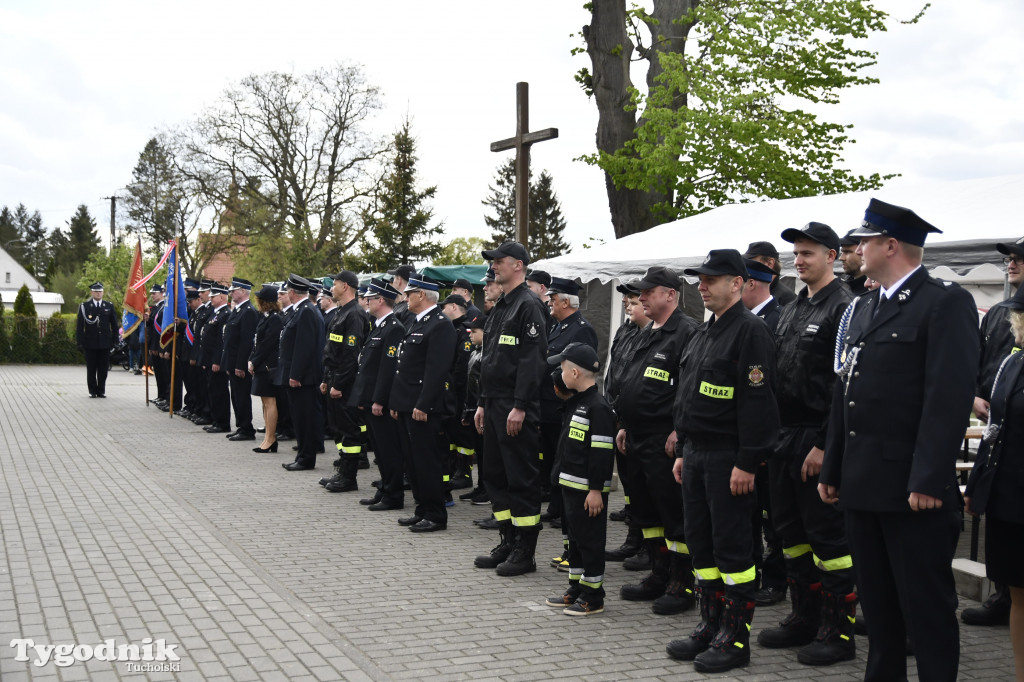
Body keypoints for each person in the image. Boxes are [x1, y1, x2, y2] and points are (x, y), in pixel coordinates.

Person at [820, 199, 980, 682]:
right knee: (880, 610)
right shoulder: (866, 305)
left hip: (914, 489)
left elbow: (947, 398)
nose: (856, 248)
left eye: (864, 240)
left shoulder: (944, 302)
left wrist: (930, 478)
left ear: (891, 245)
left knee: (926, 609)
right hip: (863, 483)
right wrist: (833, 467)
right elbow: (845, 392)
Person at [665, 249, 780, 674]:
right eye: (700, 279)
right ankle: (710, 625)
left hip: (729, 457)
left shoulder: (750, 332)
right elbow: (689, 395)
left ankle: (735, 638)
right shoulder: (702, 332)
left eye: (711, 279)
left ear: (738, 283)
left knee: (734, 549)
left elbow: (759, 403)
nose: (702, 285)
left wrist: (748, 461)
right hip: (696, 455)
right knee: (702, 546)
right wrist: (683, 450)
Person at [757, 223, 856, 666]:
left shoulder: (844, 308)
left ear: (832, 256)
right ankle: (804, 617)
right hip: (783, 438)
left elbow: (845, 388)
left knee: (828, 541)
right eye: (795, 254)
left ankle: (838, 631)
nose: (798, 260)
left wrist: (823, 445)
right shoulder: (794, 305)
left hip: (816, 437)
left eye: (808, 253)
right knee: (789, 535)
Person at [614, 266, 699, 616]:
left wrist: (680, 430)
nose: (642, 298)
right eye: (640, 292)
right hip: (636, 436)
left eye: (648, 291)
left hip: (663, 439)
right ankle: (658, 573)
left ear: (670, 295)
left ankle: (681, 584)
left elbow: (690, 388)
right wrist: (624, 424)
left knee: (672, 513)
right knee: (647, 513)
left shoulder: (687, 332)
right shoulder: (647, 332)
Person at [473, 241, 549, 575]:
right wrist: (481, 403)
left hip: (516, 407)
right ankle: (507, 539)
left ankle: (525, 550)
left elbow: (532, 362)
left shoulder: (528, 305)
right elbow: (490, 359)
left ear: (518, 265)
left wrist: (520, 406)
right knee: (494, 475)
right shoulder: (502, 304)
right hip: (493, 404)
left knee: (520, 478)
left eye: (499, 261)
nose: (493, 267)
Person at [965, 284, 1024, 682]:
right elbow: (996, 429)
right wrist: (978, 488)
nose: (1013, 324)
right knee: (1018, 593)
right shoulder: (1013, 362)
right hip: (1009, 499)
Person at [543, 343, 616, 616]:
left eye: (561, 369)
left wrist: (596, 490)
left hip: (587, 491)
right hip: (570, 488)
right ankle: (576, 588)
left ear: (574, 372)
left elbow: (601, 454)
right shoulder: (576, 403)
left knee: (590, 542)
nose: (558, 375)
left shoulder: (598, 407)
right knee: (573, 541)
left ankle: (593, 596)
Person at [390, 276, 457, 533]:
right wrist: (397, 402)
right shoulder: (418, 322)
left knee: (426, 461)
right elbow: (404, 368)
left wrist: (424, 404)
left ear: (422, 295)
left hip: (423, 407)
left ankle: (436, 514)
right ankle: (422, 509)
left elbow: (436, 371)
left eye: (410, 293)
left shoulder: (440, 325)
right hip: (408, 404)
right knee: (413, 461)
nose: (406, 298)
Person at [540, 277, 599, 565]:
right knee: (556, 468)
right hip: (554, 409)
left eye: (553, 298)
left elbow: (580, 371)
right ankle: (557, 510)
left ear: (566, 301)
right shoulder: (558, 327)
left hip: (569, 408)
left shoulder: (582, 330)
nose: (549, 302)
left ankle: (574, 546)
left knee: (569, 471)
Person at [740, 258, 787, 608]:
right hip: (747, 439)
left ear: (751, 284)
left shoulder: (774, 318)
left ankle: (775, 579)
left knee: (773, 517)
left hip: (773, 438)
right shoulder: (744, 322)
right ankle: (757, 572)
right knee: (753, 514)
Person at [349, 278, 407, 510]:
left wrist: (379, 399)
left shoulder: (394, 328)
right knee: (380, 451)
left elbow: (388, 368)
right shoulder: (380, 325)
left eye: (370, 298)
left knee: (388, 450)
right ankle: (384, 489)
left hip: (379, 400)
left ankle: (393, 496)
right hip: (371, 397)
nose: (366, 301)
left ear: (380, 300)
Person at [604, 282, 648, 565]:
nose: (627, 304)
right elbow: (616, 368)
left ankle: (648, 547)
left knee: (647, 489)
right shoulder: (626, 330)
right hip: (620, 415)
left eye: (633, 300)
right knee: (631, 483)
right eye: (627, 300)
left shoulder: (656, 333)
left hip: (645, 424)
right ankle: (633, 539)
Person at [319, 270, 369, 492]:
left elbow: (351, 355)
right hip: (332, 377)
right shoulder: (341, 312)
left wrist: (339, 384)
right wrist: (325, 379)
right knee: (338, 428)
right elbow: (332, 349)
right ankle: (342, 471)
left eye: (335, 283)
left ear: (346, 286)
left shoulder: (355, 314)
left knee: (349, 430)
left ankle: (349, 478)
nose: (332, 287)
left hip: (345, 382)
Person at [279, 275, 326, 471]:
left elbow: (303, 347)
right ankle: (302, 456)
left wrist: (295, 375)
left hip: (303, 378)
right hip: (301, 376)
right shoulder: (302, 310)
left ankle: (306, 458)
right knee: (300, 417)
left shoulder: (306, 312)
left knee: (304, 418)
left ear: (291, 292)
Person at [222, 277, 258, 441]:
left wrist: (240, 365)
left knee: (242, 396)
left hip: (240, 363)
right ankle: (240, 426)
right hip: (232, 360)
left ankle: (247, 429)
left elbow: (246, 342)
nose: (230, 293)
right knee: (236, 396)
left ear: (243, 292)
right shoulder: (238, 310)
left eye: (233, 290)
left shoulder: (249, 311)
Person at [248, 284, 283, 453]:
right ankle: (268, 438)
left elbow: (268, 344)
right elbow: (257, 341)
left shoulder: (275, 318)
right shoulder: (265, 317)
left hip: (268, 366)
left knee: (270, 402)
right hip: (261, 365)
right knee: (264, 402)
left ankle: (271, 438)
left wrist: (254, 361)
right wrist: (251, 359)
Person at [76, 282, 119, 398]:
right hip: (90, 343)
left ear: (103, 292)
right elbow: (80, 326)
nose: (98, 293)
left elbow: (114, 325)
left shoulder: (108, 306)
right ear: (92, 293)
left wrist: (116, 341)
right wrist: (80, 342)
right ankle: (92, 391)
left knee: (103, 369)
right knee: (91, 369)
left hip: (105, 343)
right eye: (96, 291)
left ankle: (101, 390)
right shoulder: (85, 307)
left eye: (100, 291)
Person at [200, 283, 232, 434]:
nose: (210, 298)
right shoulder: (215, 313)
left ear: (221, 297)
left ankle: (222, 422)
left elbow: (221, 341)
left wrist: (216, 361)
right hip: (209, 360)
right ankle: (215, 419)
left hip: (216, 361)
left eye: (213, 296)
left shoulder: (225, 313)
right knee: (212, 390)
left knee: (219, 392)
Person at [743, 241, 796, 307]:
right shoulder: (750, 291)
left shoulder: (787, 297)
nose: (748, 266)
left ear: (769, 263)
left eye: (752, 262)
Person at [839, 229, 870, 297]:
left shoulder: (875, 290)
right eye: (842, 252)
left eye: (847, 252)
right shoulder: (841, 290)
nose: (841, 258)